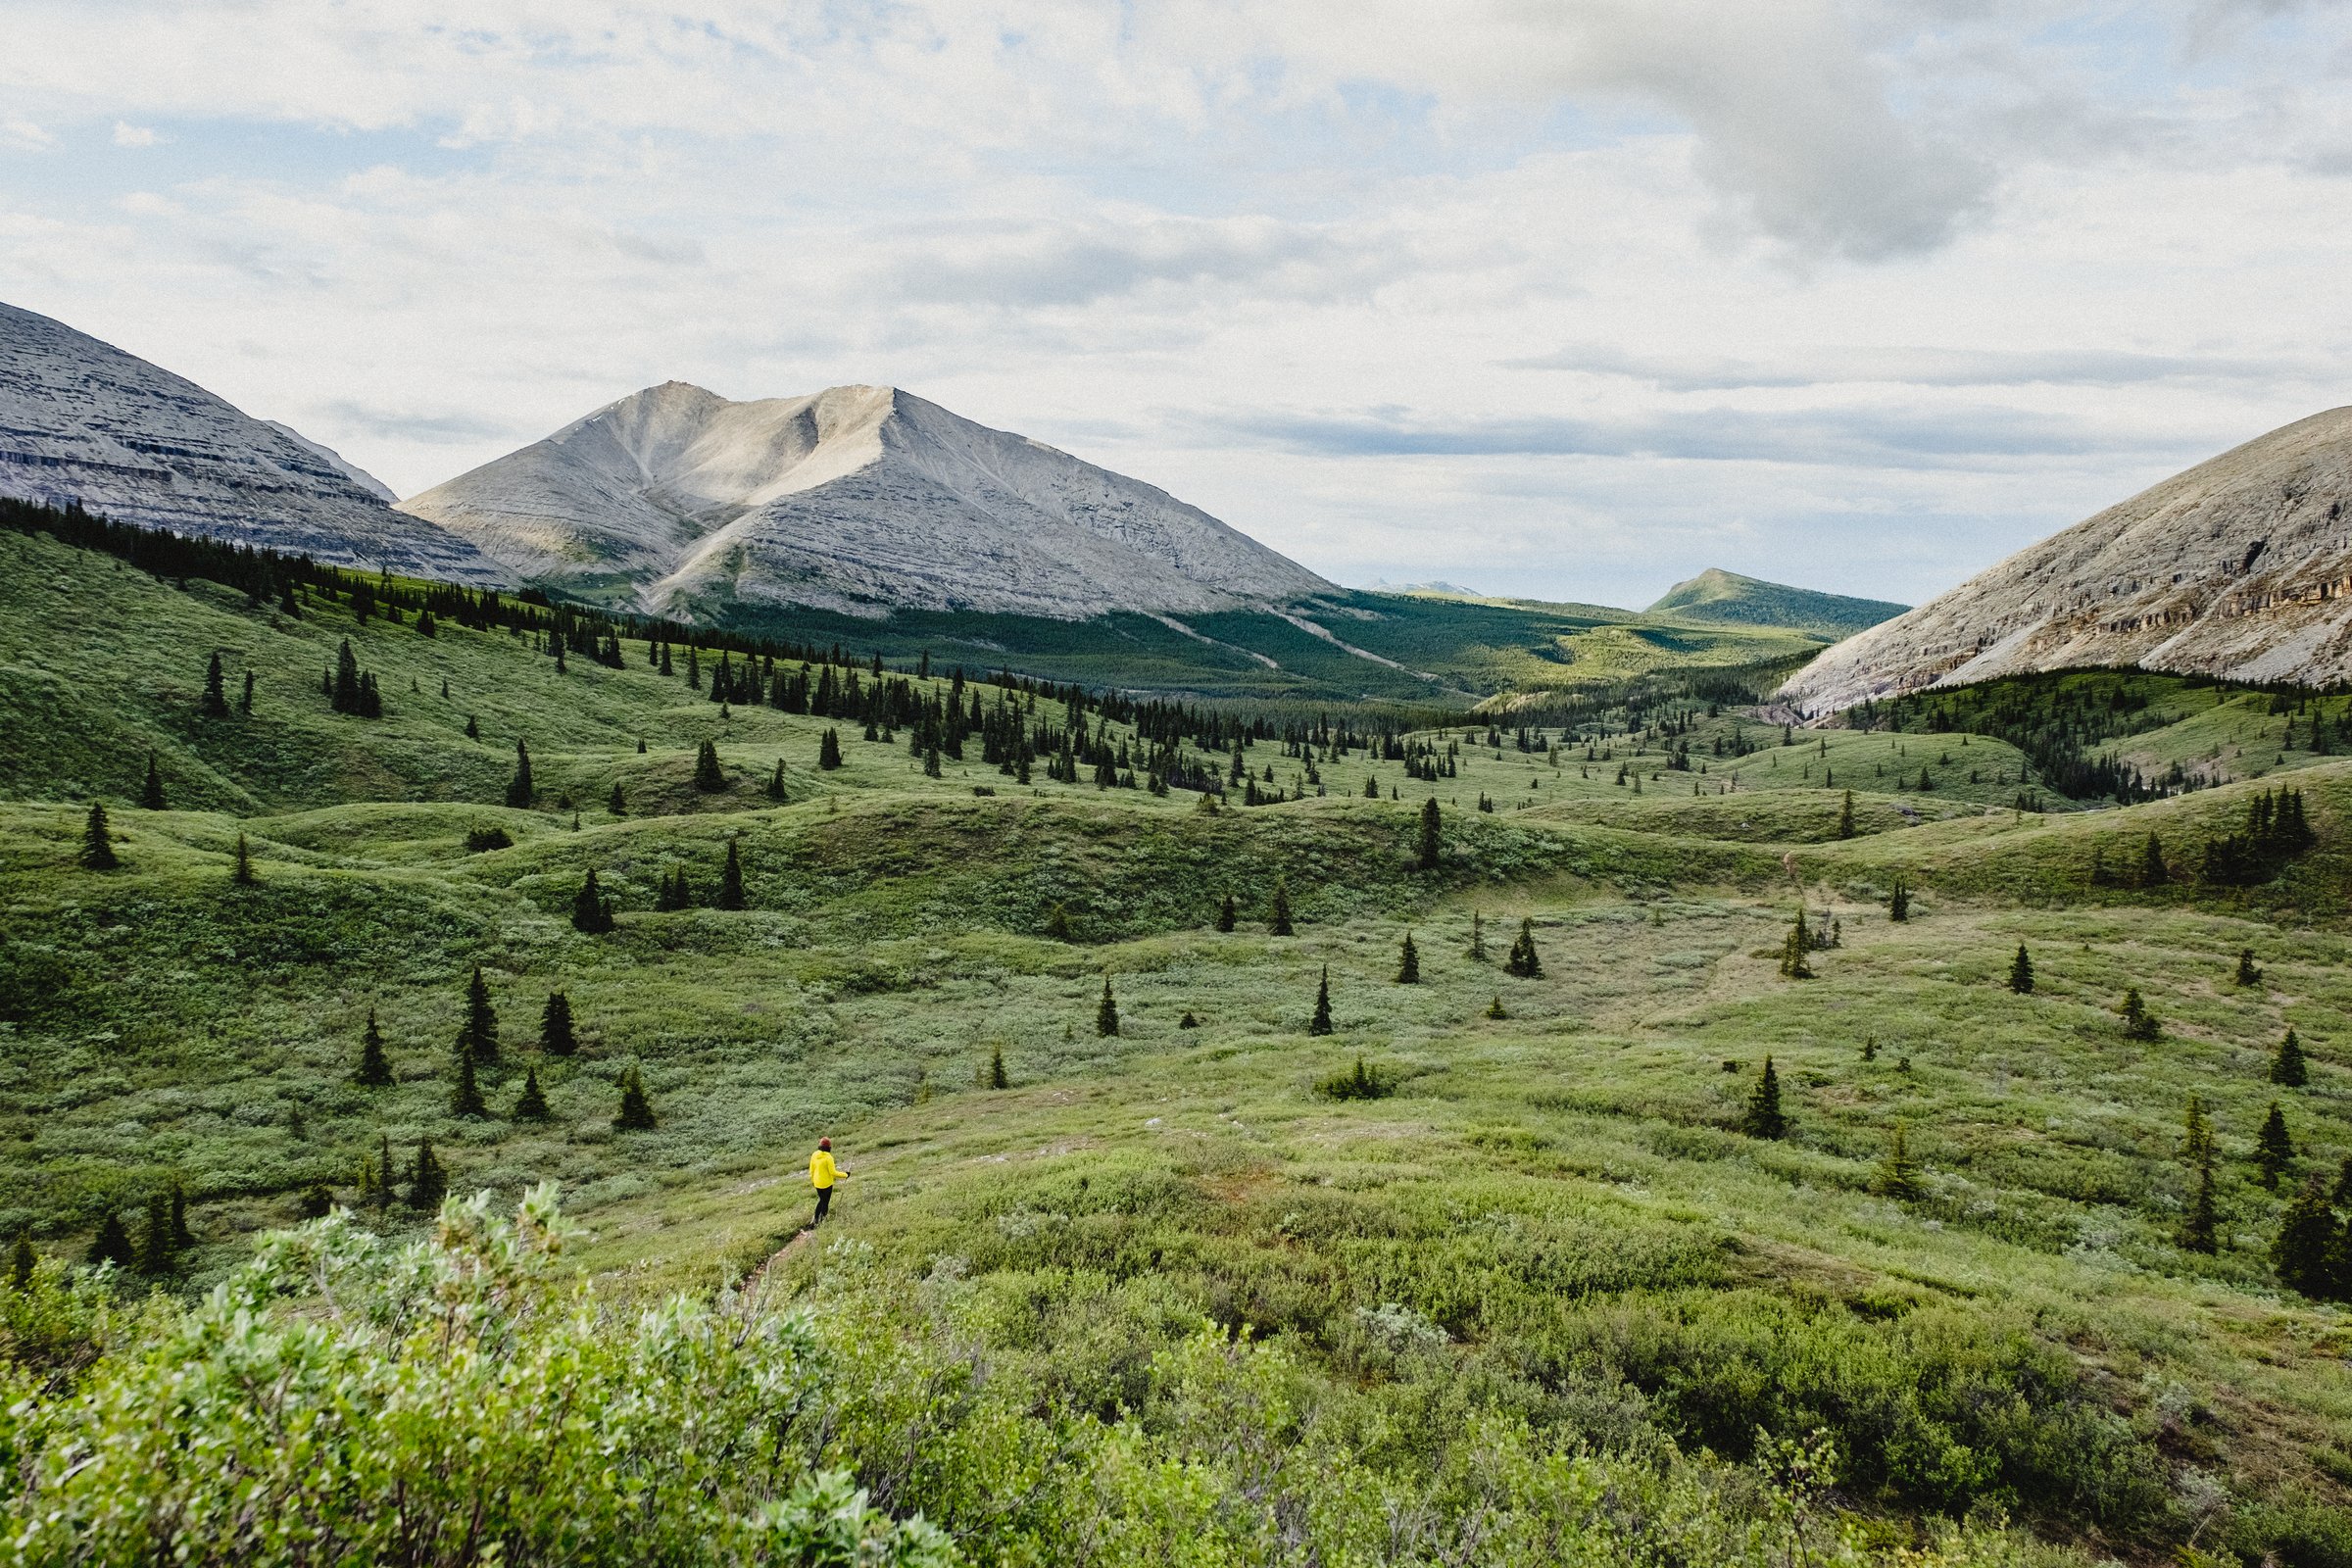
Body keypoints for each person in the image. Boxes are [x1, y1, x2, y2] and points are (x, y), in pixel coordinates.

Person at [808, 1137, 843, 1227]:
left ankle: (815, 1219)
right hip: (827, 1184)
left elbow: (811, 1170)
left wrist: (813, 1181)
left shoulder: (814, 1154)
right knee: (825, 1203)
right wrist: (845, 1175)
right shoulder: (829, 1157)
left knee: (821, 1200)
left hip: (817, 1183)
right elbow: (833, 1173)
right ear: (828, 1147)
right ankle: (822, 1221)